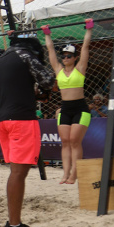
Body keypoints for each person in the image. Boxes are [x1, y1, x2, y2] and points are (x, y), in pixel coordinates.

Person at [0, 35, 56, 227]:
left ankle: (14, 221)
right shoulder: (26, 55)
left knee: (15, 171)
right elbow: (48, 81)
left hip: (2, 120)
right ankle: (15, 224)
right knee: (19, 173)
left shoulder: (0, 61)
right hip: (21, 120)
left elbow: (9, 90)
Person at [44, 19, 93, 184]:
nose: (65, 58)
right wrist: (47, 34)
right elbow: (50, 50)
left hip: (80, 108)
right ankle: (65, 174)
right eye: (63, 56)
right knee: (65, 142)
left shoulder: (80, 69)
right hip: (65, 108)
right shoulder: (58, 70)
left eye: (69, 56)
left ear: (74, 57)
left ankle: (74, 174)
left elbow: (86, 47)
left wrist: (89, 29)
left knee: (74, 141)